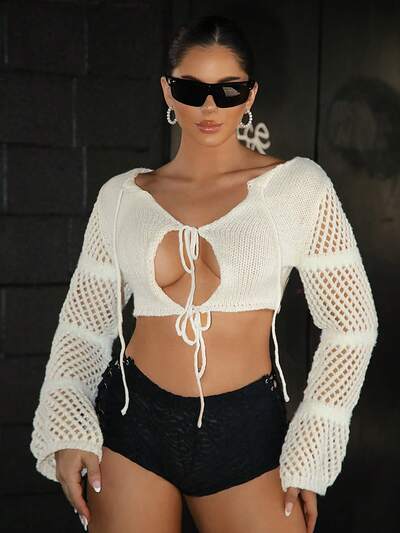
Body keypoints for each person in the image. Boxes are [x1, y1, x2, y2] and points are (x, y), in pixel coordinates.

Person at [30, 14, 378, 533]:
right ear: (168, 92)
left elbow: (352, 325)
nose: (209, 107)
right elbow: (84, 323)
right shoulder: (122, 196)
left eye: (227, 90)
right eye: (192, 89)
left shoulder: (297, 187)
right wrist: (67, 425)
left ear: (250, 94)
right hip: (132, 420)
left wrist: (312, 443)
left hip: (244, 428)